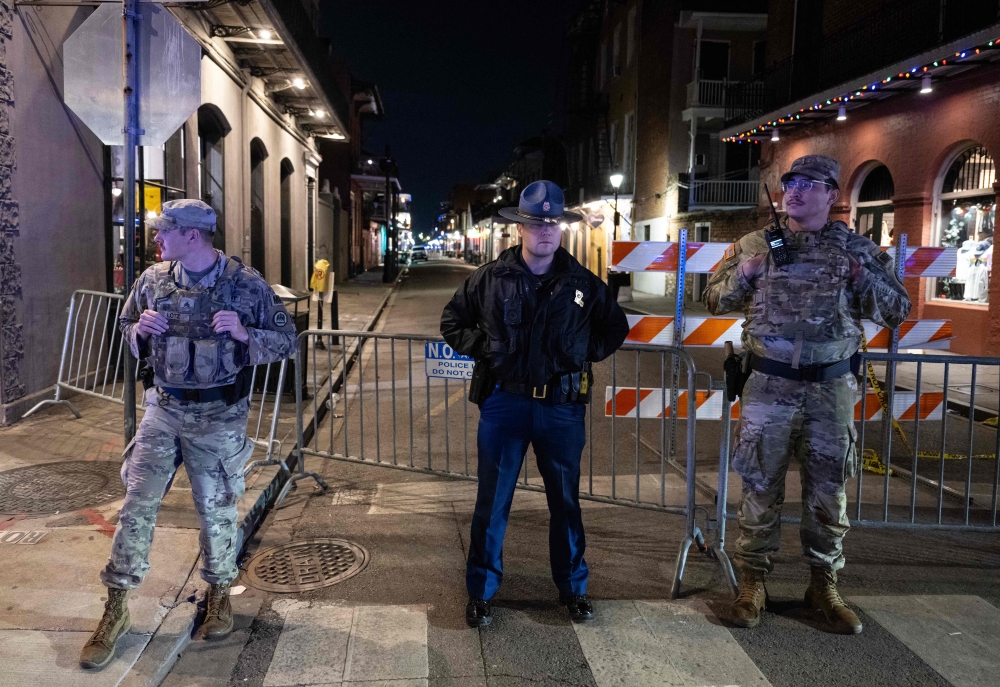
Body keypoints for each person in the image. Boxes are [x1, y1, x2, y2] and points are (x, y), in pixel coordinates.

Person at [80, 200, 297, 669]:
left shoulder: (246, 285)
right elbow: (124, 326)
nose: (156, 239)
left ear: (193, 235)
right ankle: (116, 608)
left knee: (216, 509)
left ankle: (219, 594)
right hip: (164, 407)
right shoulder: (152, 281)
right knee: (136, 504)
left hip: (219, 415)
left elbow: (287, 340)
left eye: (165, 231)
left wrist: (244, 334)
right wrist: (137, 330)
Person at [704, 155, 911, 634]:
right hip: (768, 386)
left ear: (832, 195)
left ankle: (824, 584)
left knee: (829, 490)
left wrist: (859, 275)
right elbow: (715, 298)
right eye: (789, 182)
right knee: (759, 483)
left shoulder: (857, 249)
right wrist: (750, 271)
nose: (794, 191)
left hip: (830, 388)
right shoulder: (754, 244)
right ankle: (753, 582)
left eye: (808, 184)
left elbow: (898, 309)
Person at [441, 180, 629, 628]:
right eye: (536, 222)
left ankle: (573, 589)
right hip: (505, 404)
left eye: (553, 222)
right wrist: (484, 347)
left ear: (561, 228)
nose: (546, 230)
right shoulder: (489, 279)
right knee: (493, 501)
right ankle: (481, 592)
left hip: (562, 409)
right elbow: (452, 321)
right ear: (520, 228)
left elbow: (614, 329)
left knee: (565, 503)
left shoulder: (583, 283)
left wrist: (581, 353)